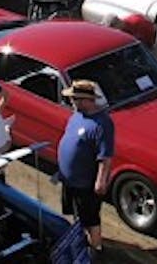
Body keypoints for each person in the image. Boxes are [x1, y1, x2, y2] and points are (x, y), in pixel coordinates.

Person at [56, 80, 114, 256]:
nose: (72, 102)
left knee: (90, 217)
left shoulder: (102, 124)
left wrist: (101, 181)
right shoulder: (76, 115)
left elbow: (105, 156)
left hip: (85, 182)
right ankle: (78, 239)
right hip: (69, 179)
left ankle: (96, 249)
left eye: (74, 99)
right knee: (73, 212)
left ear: (85, 100)